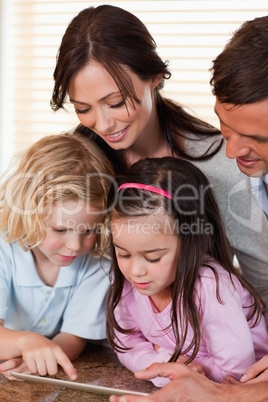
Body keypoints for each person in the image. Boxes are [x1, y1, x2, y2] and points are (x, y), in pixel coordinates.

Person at [108, 15, 268, 402]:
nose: (230, 153)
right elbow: (126, 339)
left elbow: (235, 369)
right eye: (225, 128)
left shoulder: (212, 289)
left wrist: (211, 385)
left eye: (257, 138)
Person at [105, 156, 268, 388]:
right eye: (123, 254)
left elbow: (235, 374)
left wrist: (176, 365)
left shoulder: (212, 288)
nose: (135, 271)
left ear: (190, 243)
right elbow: (125, 342)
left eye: (153, 257)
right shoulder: (127, 280)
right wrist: (161, 361)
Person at [51, 4, 222, 173]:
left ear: (154, 77)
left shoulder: (220, 161)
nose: (103, 126)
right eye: (83, 109)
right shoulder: (64, 166)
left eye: (116, 103)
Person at [0, 133, 114, 380]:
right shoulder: (4, 249)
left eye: (90, 230)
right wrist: (26, 343)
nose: (75, 246)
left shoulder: (99, 262)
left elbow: (74, 335)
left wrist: (42, 357)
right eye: (60, 230)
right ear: (29, 211)